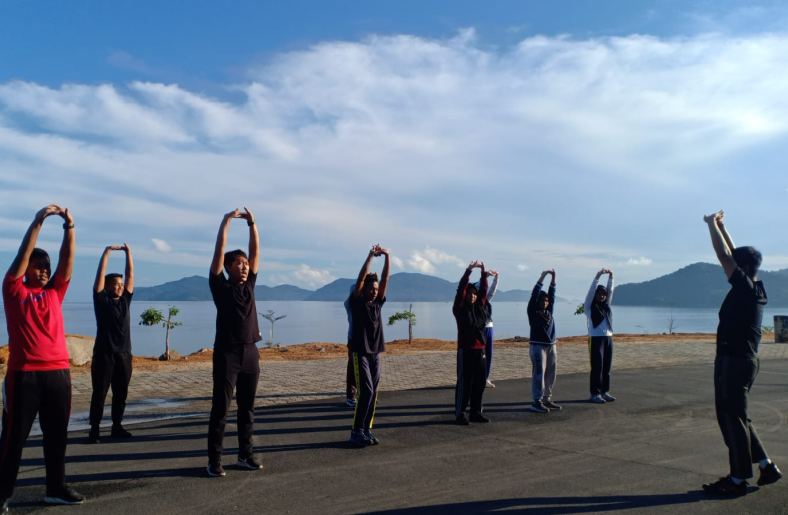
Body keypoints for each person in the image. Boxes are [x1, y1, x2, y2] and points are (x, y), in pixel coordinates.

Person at [0, 205, 84, 509]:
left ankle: (55, 488)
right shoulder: (14, 291)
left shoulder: (54, 292)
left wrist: (69, 227)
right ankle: (2, 494)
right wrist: (38, 222)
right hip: (24, 376)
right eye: (38, 266)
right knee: (13, 439)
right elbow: (22, 256)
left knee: (57, 436)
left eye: (46, 266)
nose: (45, 270)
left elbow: (67, 262)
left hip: (58, 374)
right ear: (25, 269)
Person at [701, 210, 782, 496]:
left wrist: (711, 224)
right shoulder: (756, 287)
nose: (730, 266)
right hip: (744, 360)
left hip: (733, 362)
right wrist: (723, 228)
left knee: (731, 419)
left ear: (743, 267)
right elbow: (733, 255)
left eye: (737, 264)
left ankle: (737, 479)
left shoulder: (746, 288)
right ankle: (766, 466)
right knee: (740, 417)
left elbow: (725, 256)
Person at [206, 208, 263, 477]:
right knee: (221, 408)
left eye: (246, 263)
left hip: (250, 352)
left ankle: (244, 454)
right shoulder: (221, 287)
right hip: (227, 354)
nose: (245, 266)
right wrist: (226, 222)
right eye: (239, 263)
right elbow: (219, 251)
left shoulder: (249, 285)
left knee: (247, 408)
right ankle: (214, 461)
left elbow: (256, 252)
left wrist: (252, 224)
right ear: (228, 267)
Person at [88, 244, 135, 443]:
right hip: (104, 355)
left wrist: (128, 253)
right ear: (107, 286)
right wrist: (106, 253)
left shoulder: (125, 301)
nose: (119, 286)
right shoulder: (101, 301)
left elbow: (130, 275)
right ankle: (94, 430)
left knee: (121, 394)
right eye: (115, 284)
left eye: (121, 284)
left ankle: (117, 426)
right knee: (99, 393)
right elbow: (100, 276)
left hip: (124, 355)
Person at [347, 245, 390, 447]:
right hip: (361, 353)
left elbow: (385, 279)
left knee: (374, 394)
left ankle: (366, 429)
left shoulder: (378, 303)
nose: (374, 292)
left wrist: (388, 256)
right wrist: (370, 256)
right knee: (367, 391)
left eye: (376, 289)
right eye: (371, 289)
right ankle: (356, 431)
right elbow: (361, 278)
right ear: (364, 289)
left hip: (376, 353)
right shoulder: (357, 302)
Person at [453, 261, 491, 425]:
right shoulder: (459, 308)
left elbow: (483, 291)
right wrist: (468, 271)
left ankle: (475, 411)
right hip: (466, 350)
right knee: (465, 383)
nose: (473, 296)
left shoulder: (480, 308)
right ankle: (460, 413)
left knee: (480, 382)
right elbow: (461, 290)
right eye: (470, 294)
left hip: (480, 350)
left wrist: (483, 273)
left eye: (474, 294)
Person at [526, 269, 560, 413]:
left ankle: (546, 398)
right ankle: (536, 401)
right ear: (537, 301)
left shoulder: (549, 311)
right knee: (539, 374)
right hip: (538, 347)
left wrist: (553, 279)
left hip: (551, 346)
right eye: (542, 300)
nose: (545, 302)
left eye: (546, 300)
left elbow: (552, 294)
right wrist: (543, 276)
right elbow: (534, 293)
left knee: (551, 373)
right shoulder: (532, 311)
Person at [585, 268, 615, 404]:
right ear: (595, 295)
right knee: (597, 367)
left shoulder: (606, 306)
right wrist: (598, 276)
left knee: (606, 367)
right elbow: (590, 292)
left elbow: (610, 291)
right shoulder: (589, 307)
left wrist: (611, 277)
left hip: (608, 338)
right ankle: (594, 394)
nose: (602, 296)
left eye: (604, 294)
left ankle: (604, 391)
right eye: (599, 294)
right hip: (595, 339)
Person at [484, 270, 499, 388]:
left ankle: (485, 378)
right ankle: (474, 378)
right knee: (479, 354)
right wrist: (484, 277)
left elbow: (492, 291)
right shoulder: (473, 302)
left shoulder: (486, 300)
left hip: (489, 327)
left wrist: (496, 278)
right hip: (479, 330)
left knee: (489, 354)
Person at [343, 285, 357, 408]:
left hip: (366, 341)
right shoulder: (350, 304)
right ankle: (350, 396)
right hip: (354, 340)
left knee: (365, 369)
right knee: (353, 368)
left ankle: (364, 395)